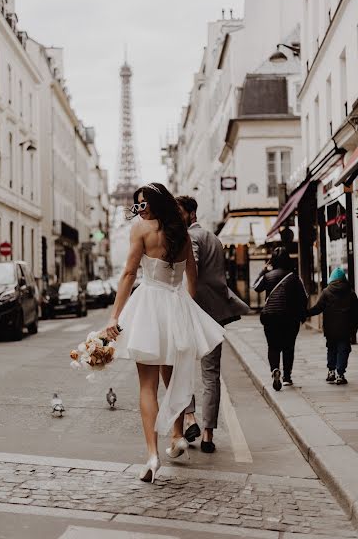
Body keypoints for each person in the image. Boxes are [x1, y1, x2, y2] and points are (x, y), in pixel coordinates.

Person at [104, 183, 225, 483]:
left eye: (143, 204)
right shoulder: (182, 233)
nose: (139, 209)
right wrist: (186, 309)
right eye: (137, 205)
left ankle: (152, 455)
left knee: (147, 385)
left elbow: (129, 274)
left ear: (155, 205)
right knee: (173, 377)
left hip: (148, 306)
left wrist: (114, 316)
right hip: (175, 305)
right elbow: (191, 278)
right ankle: (177, 436)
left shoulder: (141, 230)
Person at [176, 195, 249, 453]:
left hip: (193, 314)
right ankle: (207, 435)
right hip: (215, 316)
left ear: (191, 214)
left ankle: (190, 417)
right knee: (211, 375)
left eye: (179, 212)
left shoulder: (190, 238)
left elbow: (191, 269)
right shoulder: (215, 239)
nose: (175, 216)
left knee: (181, 370)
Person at [254, 247, 307, 391]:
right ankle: (287, 377)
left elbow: (256, 287)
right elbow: (304, 297)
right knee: (288, 347)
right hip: (290, 318)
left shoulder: (268, 276)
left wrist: (264, 270)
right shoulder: (294, 277)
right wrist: (302, 315)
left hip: (271, 317)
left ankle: (275, 370)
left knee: (273, 346)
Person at [308, 267, 358, 385]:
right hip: (345, 329)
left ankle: (331, 371)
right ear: (343, 279)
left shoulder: (326, 292)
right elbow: (356, 313)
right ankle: (340, 374)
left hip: (330, 329)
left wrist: (305, 313)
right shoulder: (351, 293)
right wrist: (354, 329)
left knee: (331, 349)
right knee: (343, 350)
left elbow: (318, 308)